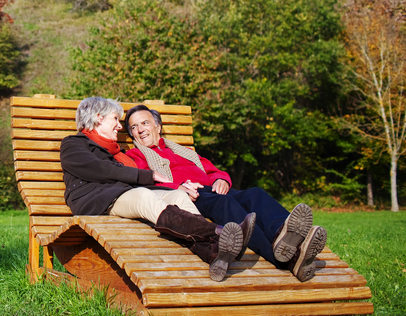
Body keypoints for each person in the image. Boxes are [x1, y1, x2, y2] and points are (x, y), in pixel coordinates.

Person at [123, 104, 327, 282]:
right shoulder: (135, 155)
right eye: (134, 127)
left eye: (144, 123)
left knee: (255, 194)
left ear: (157, 126)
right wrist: (177, 188)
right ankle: (288, 259)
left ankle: (283, 233)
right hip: (194, 196)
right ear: (131, 135)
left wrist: (221, 179)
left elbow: (212, 170)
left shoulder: (181, 150)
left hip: (214, 188)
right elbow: (146, 182)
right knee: (227, 206)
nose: (140, 130)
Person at [60, 96, 255, 282]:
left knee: (177, 196)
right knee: (144, 196)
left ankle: (213, 254)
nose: (119, 126)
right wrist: (149, 175)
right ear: (98, 118)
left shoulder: (116, 153)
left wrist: (178, 187)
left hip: (122, 194)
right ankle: (219, 233)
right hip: (97, 200)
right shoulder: (73, 144)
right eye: (115, 119)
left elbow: (123, 177)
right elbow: (99, 170)